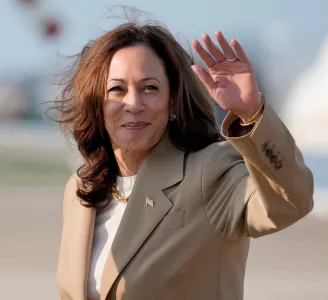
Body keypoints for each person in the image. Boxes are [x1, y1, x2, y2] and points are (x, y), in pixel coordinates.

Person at [53, 13, 314, 300]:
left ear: (173, 100)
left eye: (149, 88)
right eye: (117, 89)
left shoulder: (209, 173)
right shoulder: (81, 191)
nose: (133, 104)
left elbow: (291, 201)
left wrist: (251, 113)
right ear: (97, 103)